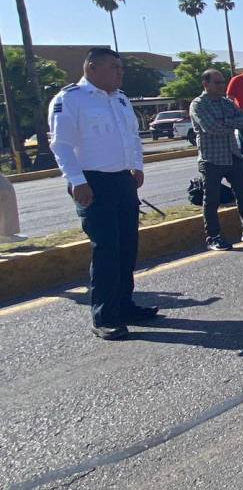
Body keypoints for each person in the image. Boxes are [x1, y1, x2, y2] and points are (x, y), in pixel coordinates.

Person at [48, 48, 155, 340]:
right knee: (106, 249)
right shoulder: (70, 99)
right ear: (92, 69)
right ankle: (105, 317)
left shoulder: (120, 100)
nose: (120, 73)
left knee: (127, 247)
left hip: (122, 180)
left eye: (120, 68)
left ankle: (124, 305)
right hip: (92, 182)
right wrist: (76, 180)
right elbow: (62, 145)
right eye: (113, 68)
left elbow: (132, 137)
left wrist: (136, 167)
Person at [190, 69, 243, 250]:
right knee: (211, 200)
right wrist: (230, 123)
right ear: (206, 84)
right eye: (217, 82)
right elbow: (211, 127)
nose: (222, 86)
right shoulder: (198, 104)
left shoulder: (227, 103)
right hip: (211, 158)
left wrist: (225, 121)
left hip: (233, 155)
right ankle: (213, 236)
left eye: (222, 82)